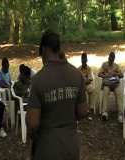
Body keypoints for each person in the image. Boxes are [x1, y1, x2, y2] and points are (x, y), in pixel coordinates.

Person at [27, 31, 89, 160]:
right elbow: (83, 112)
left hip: (47, 147)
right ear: (58, 48)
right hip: (71, 146)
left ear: (44, 49)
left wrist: (33, 134)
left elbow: (33, 123)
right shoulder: (76, 74)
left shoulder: (38, 80)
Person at [98, 52, 123, 121]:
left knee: (119, 93)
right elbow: (99, 74)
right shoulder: (104, 64)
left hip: (115, 84)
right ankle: (105, 112)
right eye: (110, 58)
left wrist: (116, 73)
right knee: (105, 91)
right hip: (107, 84)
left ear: (114, 59)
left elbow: (122, 75)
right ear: (108, 58)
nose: (111, 60)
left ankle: (120, 114)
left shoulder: (116, 66)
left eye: (112, 58)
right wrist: (106, 75)